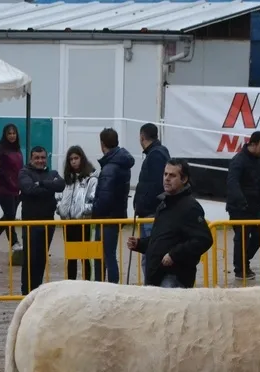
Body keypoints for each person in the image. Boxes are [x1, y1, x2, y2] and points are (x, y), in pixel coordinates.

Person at [126, 159, 213, 288]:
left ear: (184, 179)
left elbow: (203, 239)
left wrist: (174, 255)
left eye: (172, 175)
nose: (167, 178)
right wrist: (139, 244)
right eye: (165, 174)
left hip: (174, 278)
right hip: (156, 276)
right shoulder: (163, 205)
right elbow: (160, 240)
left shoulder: (190, 207)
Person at [17, 146, 65, 295]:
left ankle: (37, 290)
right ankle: (26, 292)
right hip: (30, 223)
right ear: (31, 159)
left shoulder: (52, 173)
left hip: (48, 223)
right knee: (30, 259)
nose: (40, 160)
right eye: (37, 158)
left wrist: (42, 184)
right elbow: (29, 189)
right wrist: (49, 187)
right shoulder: (24, 172)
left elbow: (61, 185)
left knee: (41, 259)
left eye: (42, 157)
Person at [91, 128, 135, 283]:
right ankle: (110, 285)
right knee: (109, 255)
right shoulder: (122, 163)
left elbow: (105, 196)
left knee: (104, 256)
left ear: (102, 143)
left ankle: (105, 286)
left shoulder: (110, 167)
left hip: (106, 217)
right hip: (116, 214)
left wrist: (93, 210)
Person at [225, 131, 260, 279]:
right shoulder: (238, 160)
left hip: (254, 207)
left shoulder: (259, 160)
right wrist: (241, 202)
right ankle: (240, 269)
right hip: (239, 207)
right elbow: (232, 182)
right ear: (253, 144)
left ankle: (244, 260)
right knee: (242, 238)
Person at [131, 123, 170, 280]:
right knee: (149, 254)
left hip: (151, 213)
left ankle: (152, 285)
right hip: (150, 212)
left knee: (150, 255)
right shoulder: (159, 153)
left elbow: (155, 185)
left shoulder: (155, 155)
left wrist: (142, 204)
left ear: (142, 137)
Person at [55, 145, 98, 281]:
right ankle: (71, 284)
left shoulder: (91, 179)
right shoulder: (67, 180)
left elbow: (94, 201)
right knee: (71, 258)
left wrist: (82, 211)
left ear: (82, 159)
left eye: (76, 158)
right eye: (71, 159)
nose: (73, 161)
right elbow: (59, 197)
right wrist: (60, 209)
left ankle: (86, 284)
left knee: (85, 257)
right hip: (68, 223)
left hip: (84, 223)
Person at [0, 123, 23, 253]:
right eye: (9, 133)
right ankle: (14, 243)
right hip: (3, 188)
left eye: (14, 133)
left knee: (8, 215)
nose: (12, 136)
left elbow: (20, 168)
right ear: (5, 135)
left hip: (16, 188)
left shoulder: (17, 149)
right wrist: (10, 182)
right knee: (10, 216)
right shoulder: (0, 149)